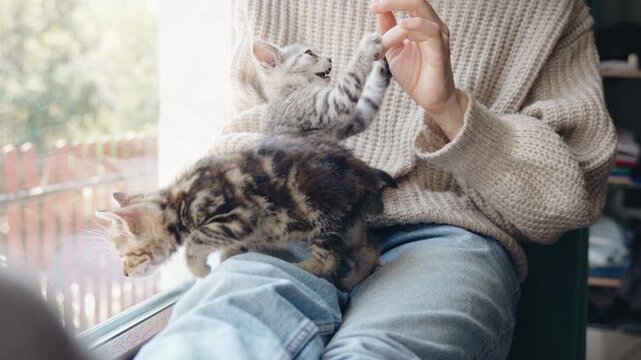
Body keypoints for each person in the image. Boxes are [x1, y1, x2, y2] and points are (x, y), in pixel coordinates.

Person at [135, 0, 616, 359]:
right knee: (209, 339)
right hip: (285, 221)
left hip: (446, 236)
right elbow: (248, 131)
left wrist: (450, 108)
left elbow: (564, 203)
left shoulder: (546, 11)